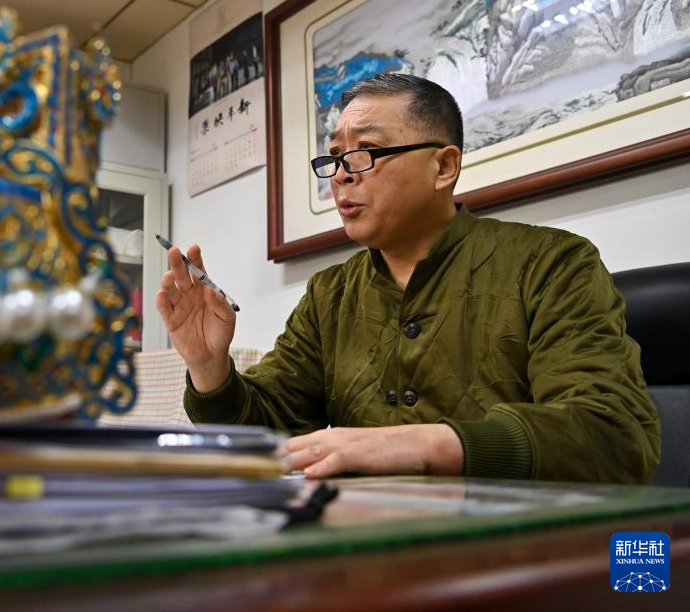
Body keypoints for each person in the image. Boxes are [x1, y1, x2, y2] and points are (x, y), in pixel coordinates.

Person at [156, 73, 660, 484]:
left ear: (443, 167)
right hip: (366, 540)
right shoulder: (330, 294)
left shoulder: (551, 264)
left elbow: (612, 434)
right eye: (335, 157)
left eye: (365, 152)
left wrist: (424, 444)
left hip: (516, 547)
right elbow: (270, 433)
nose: (341, 175)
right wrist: (209, 368)